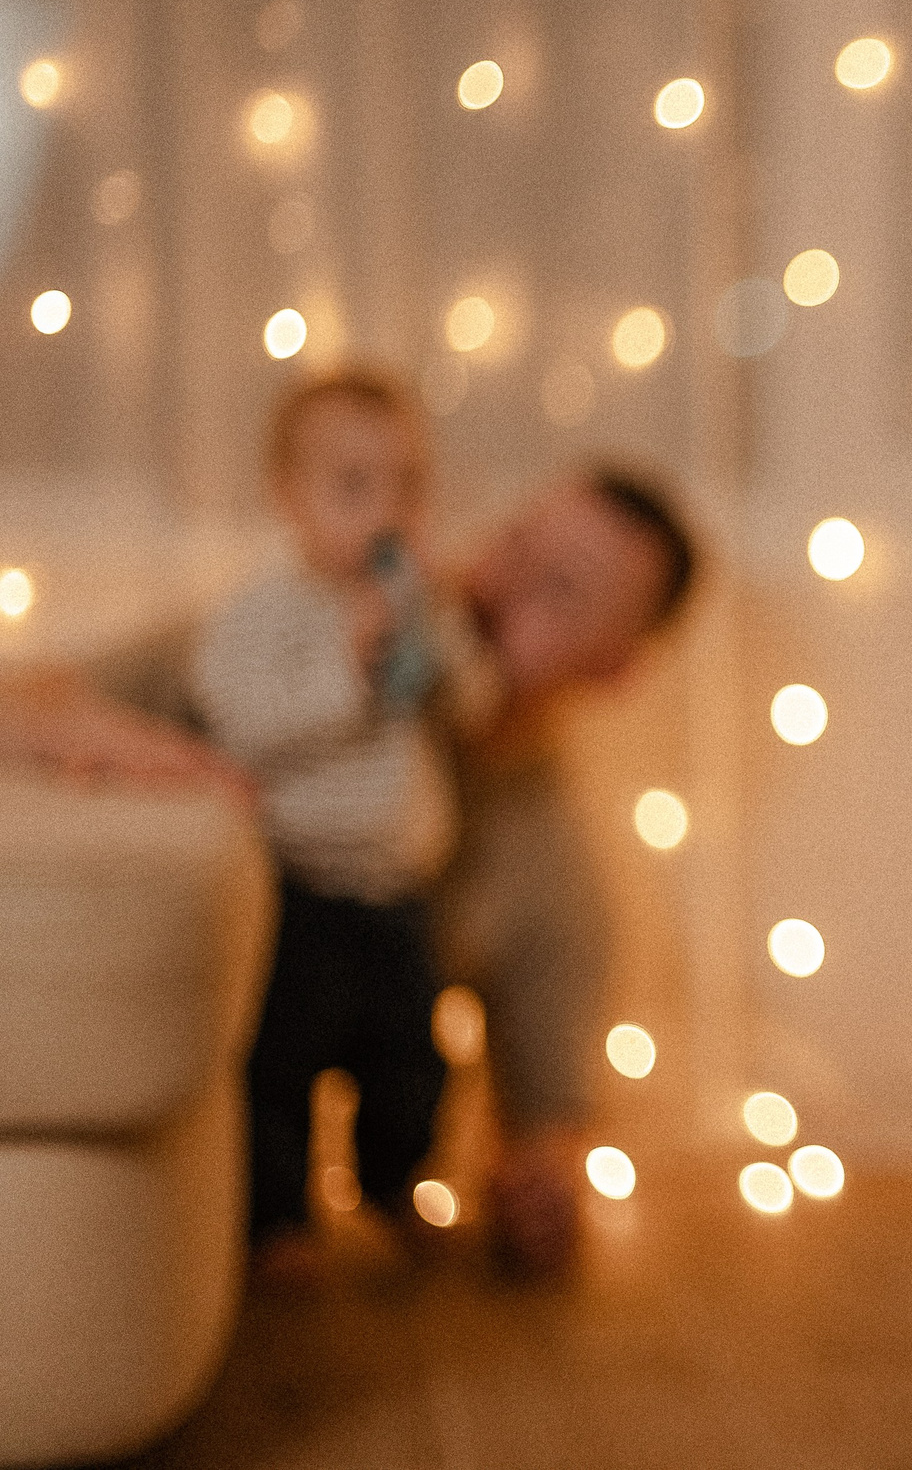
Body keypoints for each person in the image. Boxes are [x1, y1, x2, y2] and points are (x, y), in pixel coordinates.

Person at [0, 457, 695, 1277]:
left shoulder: (553, 884)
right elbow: (30, 695)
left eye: (559, 589)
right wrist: (129, 746)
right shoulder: (307, 650)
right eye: (513, 540)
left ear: (612, 668)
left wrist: (540, 1190)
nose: (495, 581)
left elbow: (547, 1131)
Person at [192, 371, 495, 1269]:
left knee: (413, 1056)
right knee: (277, 1062)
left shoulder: (416, 608)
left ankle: (403, 1184)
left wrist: (447, 645)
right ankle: (279, 1217)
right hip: (301, 881)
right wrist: (348, 666)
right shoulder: (263, 614)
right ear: (290, 498)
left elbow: (469, 711)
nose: (388, 510)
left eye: (408, 484)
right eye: (355, 486)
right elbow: (241, 726)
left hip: (398, 887)